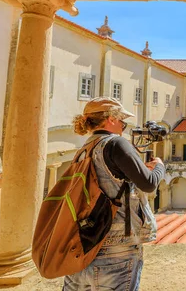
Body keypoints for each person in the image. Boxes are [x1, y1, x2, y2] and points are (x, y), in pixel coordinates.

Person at [63, 97, 165, 291]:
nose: (123, 127)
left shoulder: (84, 150)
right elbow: (149, 184)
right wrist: (159, 167)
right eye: (122, 122)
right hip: (116, 250)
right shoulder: (116, 144)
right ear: (111, 119)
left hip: (82, 247)